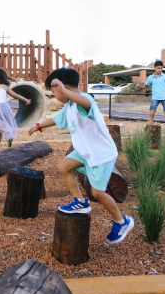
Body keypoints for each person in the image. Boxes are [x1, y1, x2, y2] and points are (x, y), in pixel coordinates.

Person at [28, 67, 134, 244]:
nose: (56, 96)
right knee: (63, 167)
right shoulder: (69, 106)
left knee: (98, 192)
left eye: (55, 92)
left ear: (65, 88)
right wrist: (38, 126)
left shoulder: (84, 100)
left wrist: (64, 91)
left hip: (101, 154)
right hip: (85, 151)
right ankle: (80, 202)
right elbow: (55, 119)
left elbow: (87, 104)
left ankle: (122, 221)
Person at [136, 60, 165, 127]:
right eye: (158, 68)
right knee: (151, 113)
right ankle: (150, 129)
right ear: (154, 68)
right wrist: (140, 86)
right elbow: (146, 86)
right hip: (155, 97)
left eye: (161, 68)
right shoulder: (150, 77)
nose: (160, 69)